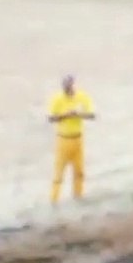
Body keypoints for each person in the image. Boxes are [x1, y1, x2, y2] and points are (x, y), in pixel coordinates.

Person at [47, 74, 96, 204]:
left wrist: (78, 114)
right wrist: (65, 115)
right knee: (59, 174)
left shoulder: (82, 97)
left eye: (69, 86)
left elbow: (92, 115)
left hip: (78, 139)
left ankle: (78, 197)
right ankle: (54, 200)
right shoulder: (57, 99)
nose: (67, 89)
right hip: (63, 140)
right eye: (65, 86)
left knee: (79, 172)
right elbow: (51, 118)